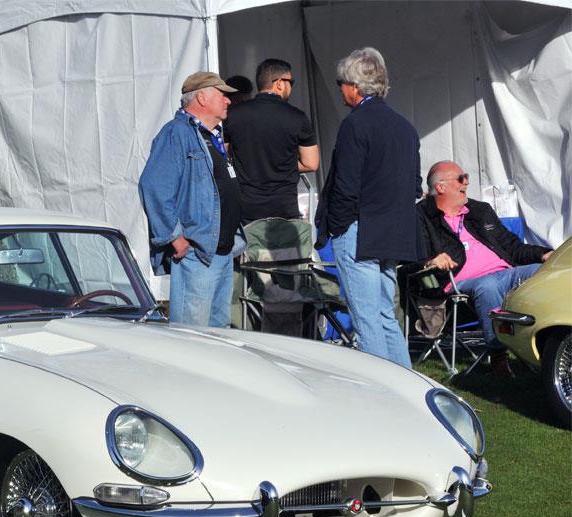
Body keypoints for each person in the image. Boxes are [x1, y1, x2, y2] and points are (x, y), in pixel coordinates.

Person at [315, 47, 422, 368]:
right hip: (393, 232)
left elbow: (346, 186)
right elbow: (415, 185)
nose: (340, 89)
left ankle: (380, 392)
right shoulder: (405, 127)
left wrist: (338, 226)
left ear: (355, 86)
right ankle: (407, 387)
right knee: (383, 313)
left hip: (360, 231)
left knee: (366, 319)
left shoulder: (356, 125)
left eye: (341, 83)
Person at [418, 160, 552, 376]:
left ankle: (553, 342)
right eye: (461, 178)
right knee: (488, 286)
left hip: (506, 272)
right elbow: (410, 258)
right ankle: (498, 355)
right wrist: (430, 261)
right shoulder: (422, 217)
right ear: (441, 187)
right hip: (460, 282)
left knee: (544, 272)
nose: (467, 183)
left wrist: (543, 254)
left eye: (467, 177)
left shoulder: (479, 210)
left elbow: (511, 245)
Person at [140, 71, 243, 327]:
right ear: (202, 97)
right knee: (192, 336)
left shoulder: (211, 135)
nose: (228, 101)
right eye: (223, 95)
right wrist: (174, 237)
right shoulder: (176, 133)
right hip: (198, 252)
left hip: (222, 251)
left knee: (219, 338)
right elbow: (153, 185)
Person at [223, 59, 318, 224]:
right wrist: (283, 164)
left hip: (247, 210)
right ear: (279, 83)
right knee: (285, 250)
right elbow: (311, 163)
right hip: (284, 208)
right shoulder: (297, 117)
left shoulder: (233, 116)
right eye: (291, 82)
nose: (291, 87)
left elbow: (224, 155)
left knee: (249, 250)